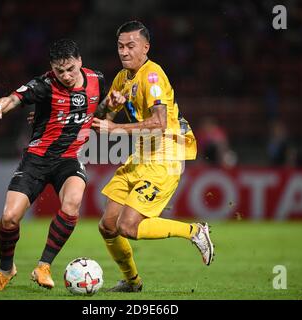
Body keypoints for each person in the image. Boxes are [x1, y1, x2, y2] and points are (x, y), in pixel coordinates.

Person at [92, 21, 214, 292]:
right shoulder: (122, 78)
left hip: (165, 154)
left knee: (129, 226)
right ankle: (133, 282)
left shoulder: (152, 76)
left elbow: (159, 122)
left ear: (146, 47)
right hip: (142, 154)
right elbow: (102, 121)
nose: (124, 52)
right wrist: (107, 107)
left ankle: (195, 231)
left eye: (130, 46)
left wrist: (115, 127)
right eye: (120, 46)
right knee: (108, 226)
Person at [0, 39, 106, 291]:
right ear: (52, 68)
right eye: (60, 71)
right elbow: (14, 97)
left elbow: (98, 108)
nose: (66, 76)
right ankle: (6, 269)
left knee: (72, 203)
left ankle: (43, 266)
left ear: (80, 61)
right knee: (9, 218)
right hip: (36, 160)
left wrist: (110, 107)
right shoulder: (43, 85)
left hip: (68, 160)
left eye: (71, 69)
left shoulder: (97, 79)